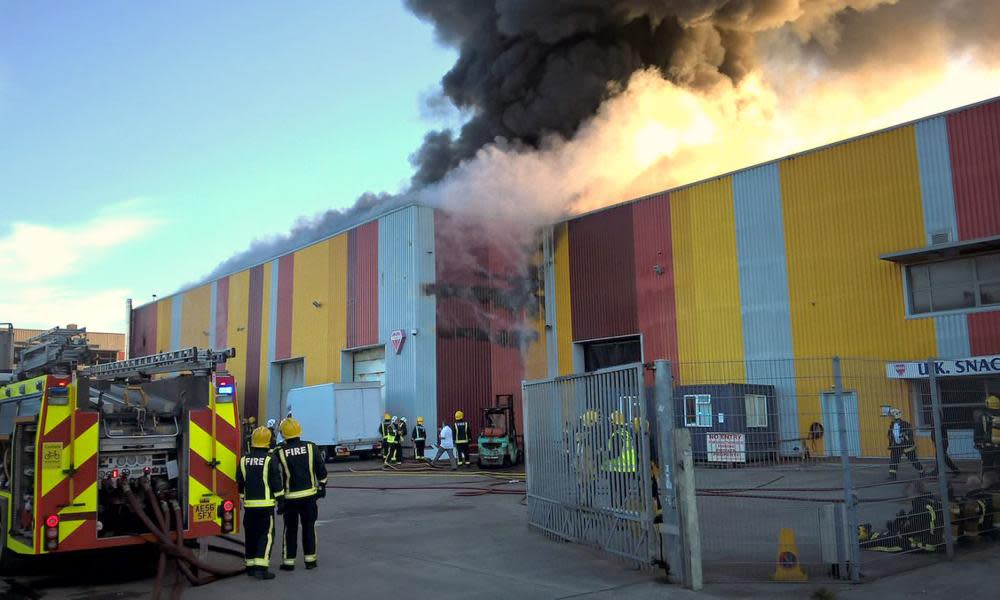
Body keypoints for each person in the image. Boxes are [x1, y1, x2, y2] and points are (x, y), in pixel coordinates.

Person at [276, 417, 327, 571]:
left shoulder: (280, 451)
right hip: (309, 497)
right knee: (308, 528)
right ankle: (310, 561)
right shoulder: (311, 447)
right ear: (299, 431)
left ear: (283, 434)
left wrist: (278, 497)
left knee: (290, 530)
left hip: (290, 498)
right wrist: (322, 485)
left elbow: (272, 470)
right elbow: (320, 468)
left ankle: (289, 562)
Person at [236, 426, 283, 580]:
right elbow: (276, 481)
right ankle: (261, 568)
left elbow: (240, 483)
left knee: (250, 535)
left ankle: (250, 566)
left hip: (249, 507)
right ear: (268, 442)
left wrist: (243, 498)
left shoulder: (244, 460)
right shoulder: (270, 460)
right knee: (266, 535)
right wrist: (281, 500)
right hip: (266, 506)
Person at [887, 408, 923, 481]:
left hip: (907, 446)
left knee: (913, 459)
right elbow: (890, 434)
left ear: (896, 416)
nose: (890, 418)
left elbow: (910, 435)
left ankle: (922, 472)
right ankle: (892, 476)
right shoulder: (892, 425)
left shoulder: (905, 424)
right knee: (893, 460)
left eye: (892, 416)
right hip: (896, 446)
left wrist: (904, 435)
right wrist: (890, 439)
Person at [929, 409, 961, 476]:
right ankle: (955, 470)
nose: (932, 415)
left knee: (940, 456)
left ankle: (937, 471)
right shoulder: (934, 422)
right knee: (943, 457)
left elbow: (940, 433)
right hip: (937, 442)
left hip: (942, 442)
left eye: (933, 414)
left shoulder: (940, 423)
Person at [974, 395, 1000, 475]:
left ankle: (988, 483)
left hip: (987, 447)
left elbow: (978, 431)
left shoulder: (983, 417)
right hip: (999, 446)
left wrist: (977, 443)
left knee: (987, 467)